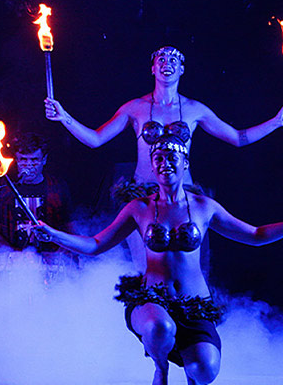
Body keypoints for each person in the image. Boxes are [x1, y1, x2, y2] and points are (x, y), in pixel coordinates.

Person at [34, 134, 283, 385]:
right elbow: (96, 244)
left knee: (204, 370)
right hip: (152, 302)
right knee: (159, 327)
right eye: (158, 159)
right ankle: (160, 368)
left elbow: (256, 235)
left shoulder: (203, 207)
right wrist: (55, 234)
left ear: (185, 162)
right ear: (152, 166)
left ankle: (192, 371)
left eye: (172, 157)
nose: (165, 163)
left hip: (196, 305)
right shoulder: (139, 208)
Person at [44, 46, 283, 271]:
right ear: (152, 69)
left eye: (174, 60)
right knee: (147, 266)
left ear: (182, 69)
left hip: (182, 195)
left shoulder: (195, 109)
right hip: (144, 196)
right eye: (161, 60)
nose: (167, 64)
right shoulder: (135, 108)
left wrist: (276, 121)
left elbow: (238, 138)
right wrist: (65, 117)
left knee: (187, 265)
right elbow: (96, 139)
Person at [0, 132, 76, 272]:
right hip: (13, 260)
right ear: (16, 160)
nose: (28, 165)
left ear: (44, 160)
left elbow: (71, 229)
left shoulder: (59, 186)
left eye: (34, 160)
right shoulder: (3, 188)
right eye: (23, 160)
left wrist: (59, 254)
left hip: (51, 258)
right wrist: (14, 255)